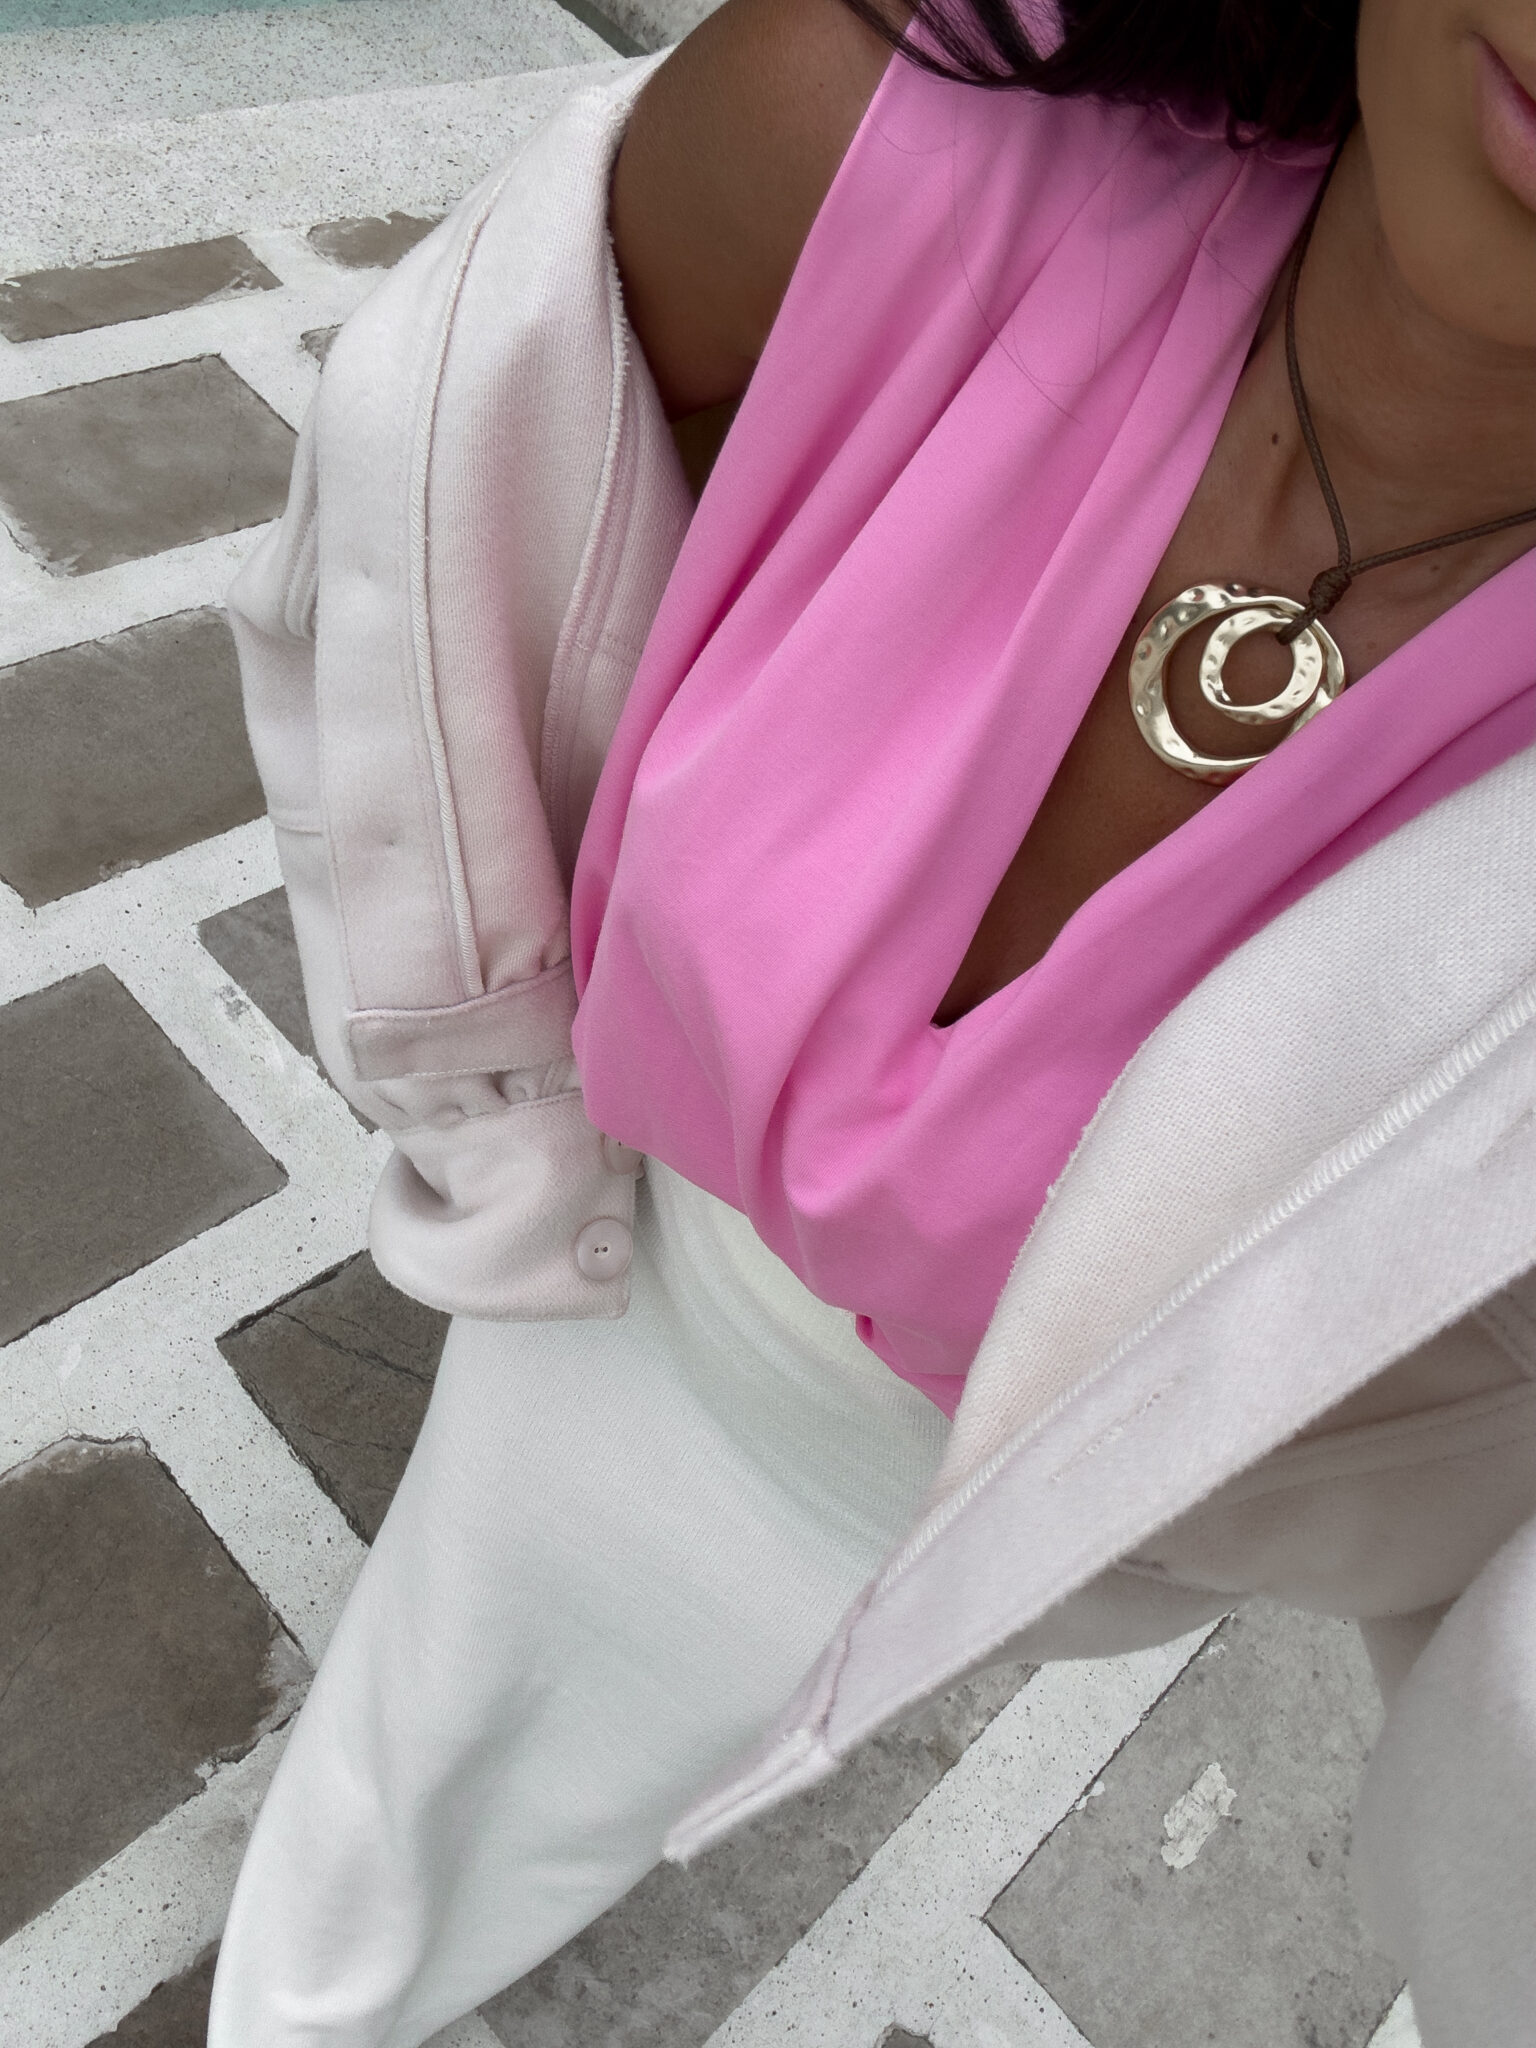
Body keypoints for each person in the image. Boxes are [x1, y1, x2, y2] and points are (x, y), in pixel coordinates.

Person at [208, 1, 1536, 2041]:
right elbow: (439, 519)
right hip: (604, 1281)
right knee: (418, 1756)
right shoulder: (872, 149)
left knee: (576, 1783)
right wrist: (489, 1096)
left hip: (1010, 1544)